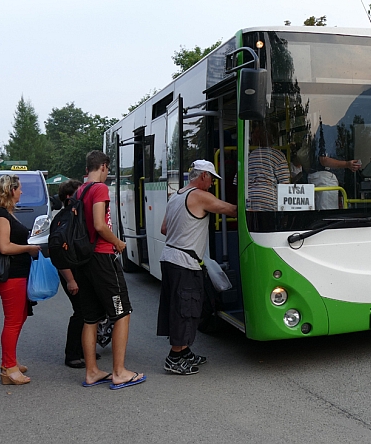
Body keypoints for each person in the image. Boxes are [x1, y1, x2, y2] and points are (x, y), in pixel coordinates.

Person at [158, 160, 237, 375]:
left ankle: (185, 352)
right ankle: (174, 358)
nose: (212, 184)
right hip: (184, 262)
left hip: (171, 258)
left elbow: (164, 228)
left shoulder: (176, 196)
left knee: (184, 307)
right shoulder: (199, 196)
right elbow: (231, 210)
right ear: (203, 176)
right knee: (186, 309)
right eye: (211, 178)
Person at [74, 150, 145, 390]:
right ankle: (119, 372)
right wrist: (117, 242)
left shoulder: (79, 190)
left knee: (91, 317)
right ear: (103, 166)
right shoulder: (99, 189)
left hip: (84, 260)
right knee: (122, 313)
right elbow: (99, 224)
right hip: (103, 257)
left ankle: (92, 371)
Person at [0, 174, 41, 385]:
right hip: (11, 275)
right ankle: (8, 369)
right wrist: (29, 248)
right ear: (11, 190)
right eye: (19, 188)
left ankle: (9, 361)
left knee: (19, 317)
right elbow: (4, 247)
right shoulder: (1, 215)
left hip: (18, 273)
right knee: (13, 320)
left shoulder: (7, 214)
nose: (22, 192)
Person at [56, 179, 102, 369]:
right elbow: (58, 253)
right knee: (81, 312)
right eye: (78, 193)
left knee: (88, 311)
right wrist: (70, 280)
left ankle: (83, 350)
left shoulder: (74, 216)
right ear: (69, 197)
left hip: (79, 270)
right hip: (71, 272)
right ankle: (72, 354)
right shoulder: (63, 220)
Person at [247, 121, 290, 210]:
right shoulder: (279, 156)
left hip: (249, 200)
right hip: (269, 200)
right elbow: (285, 184)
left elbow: (239, 181)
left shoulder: (249, 156)